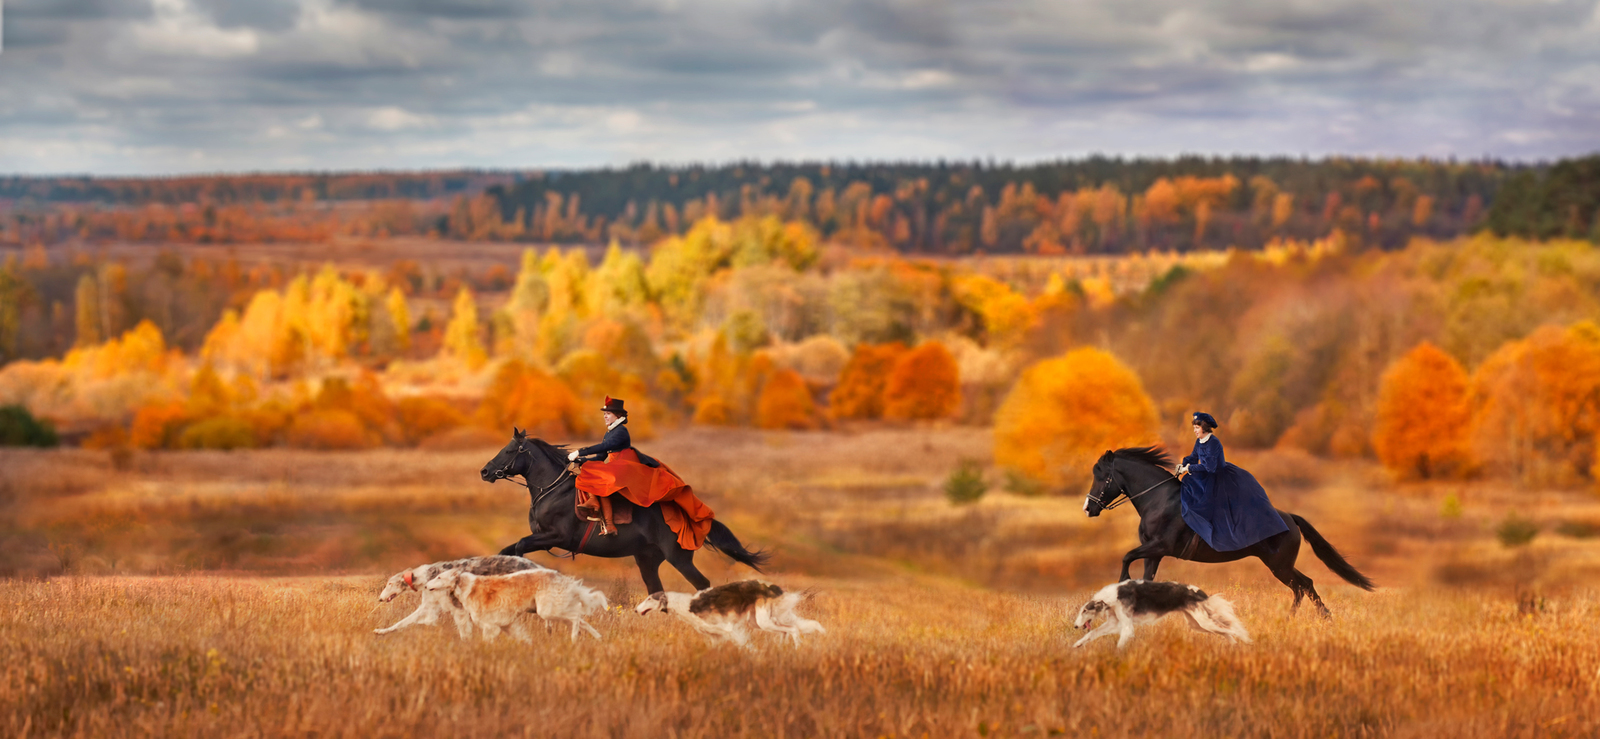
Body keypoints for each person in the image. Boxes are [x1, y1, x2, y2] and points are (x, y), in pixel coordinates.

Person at [1175, 412, 1290, 553]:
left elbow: (1210, 468)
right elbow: (1193, 457)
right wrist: (1183, 465)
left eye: (1197, 428)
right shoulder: (1199, 441)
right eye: (1194, 428)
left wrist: (1189, 468)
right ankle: (1195, 532)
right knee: (1188, 487)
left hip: (1220, 478)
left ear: (1204, 427)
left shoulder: (1214, 443)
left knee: (1219, 508)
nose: (1194, 431)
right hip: (1206, 477)